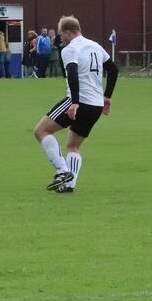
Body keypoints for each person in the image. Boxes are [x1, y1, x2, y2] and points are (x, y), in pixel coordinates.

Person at [32, 15, 118, 193]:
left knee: (41, 130)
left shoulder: (70, 49)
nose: (60, 38)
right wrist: (107, 97)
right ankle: (69, 185)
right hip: (95, 106)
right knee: (73, 146)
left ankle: (62, 171)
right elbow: (113, 69)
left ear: (68, 32)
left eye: (61, 34)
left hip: (79, 102)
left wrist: (75, 102)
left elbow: (71, 73)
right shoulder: (95, 45)